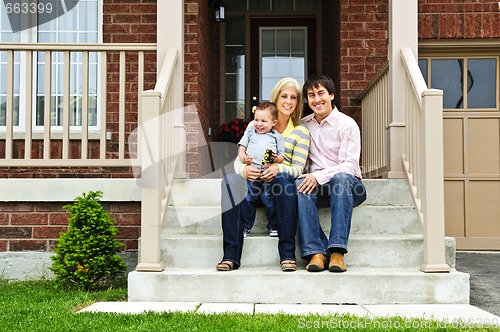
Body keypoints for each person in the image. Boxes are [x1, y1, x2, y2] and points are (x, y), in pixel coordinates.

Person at [216, 77, 310, 272]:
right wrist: (245, 170)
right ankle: (230, 256)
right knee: (230, 180)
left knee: (284, 179)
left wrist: (278, 168)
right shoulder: (255, 125)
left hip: (276, 193)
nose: (288, 101)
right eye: (284, 96)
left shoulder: (301, 132)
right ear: (276, 98)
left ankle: (287, 255)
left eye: (294, 97)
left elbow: (298, 169)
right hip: (251, 186)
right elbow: (238, 161)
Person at [296, 74, 366, 273]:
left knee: (340, 178)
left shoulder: (347, 124)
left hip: (349, 186)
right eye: (311, 95)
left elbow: (349, 165)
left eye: (321, 93)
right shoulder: (304, 125)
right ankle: (316, 252)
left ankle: (337, 252)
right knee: (298, 185)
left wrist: (317, 176)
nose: (317, 99)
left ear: (332, 95)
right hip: (318, 187)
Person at [237, 101, 285, 237]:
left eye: (264, 121)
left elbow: (282, 157)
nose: (259, 124)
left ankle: (273, 226)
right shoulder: (251, 132)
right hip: (252, 173)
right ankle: (245, 226)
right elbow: (241, 148)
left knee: (268, 198)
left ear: (274, 122)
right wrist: (243, 157)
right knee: (249, 198)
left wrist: (276, 160)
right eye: (256, 119)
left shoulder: (277, 137)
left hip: (268, 174)